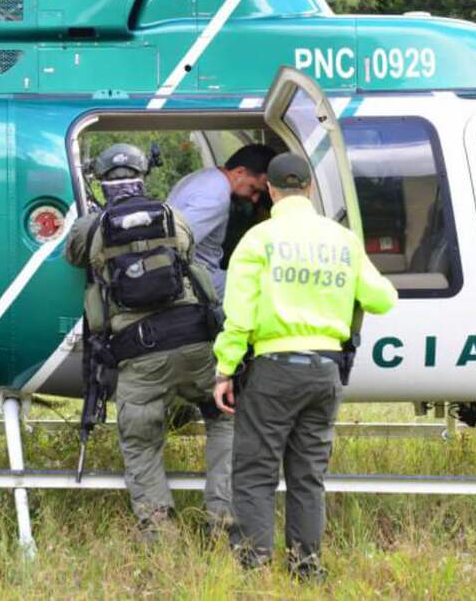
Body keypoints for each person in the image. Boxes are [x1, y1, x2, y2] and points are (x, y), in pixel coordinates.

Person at [212, 153, 398, 579]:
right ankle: (307, 566)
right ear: (311, 188)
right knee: (307, 475)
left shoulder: (259, 240)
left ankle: (254, 567)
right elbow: (383, 299)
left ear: (272, 191)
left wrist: (225, 369)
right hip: (325, 372)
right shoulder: (342, 240)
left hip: (274, 370)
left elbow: (237, 315)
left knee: (256, 471)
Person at [64, 143, 234, 539]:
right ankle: (222, 517)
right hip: (194, 343)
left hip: (138, 353)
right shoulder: (173, 216)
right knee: (225, 418)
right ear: (143, 177)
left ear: (103, 183)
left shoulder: (91, 226)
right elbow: (190, 255)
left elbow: (74, 257)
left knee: (141, 442)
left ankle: (160, 533)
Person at [168, 144, 277, 299]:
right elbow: (176, 243)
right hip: (197, 278)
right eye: (253, 189)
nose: (254, 199)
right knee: (265, 288)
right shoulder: (217, 196)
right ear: (239, 172)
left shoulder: (203, 177)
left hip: (191, 273)